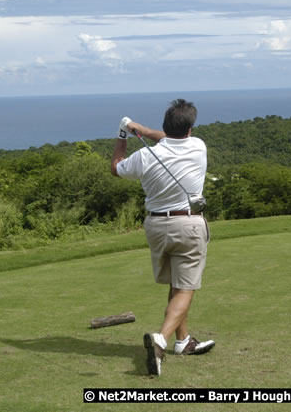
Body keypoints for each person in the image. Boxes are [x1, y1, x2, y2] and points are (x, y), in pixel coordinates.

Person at [111, 99, 215, 376]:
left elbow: (116, 167)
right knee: (185, 288)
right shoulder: (198, 146)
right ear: (190, 128)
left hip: (156, 226)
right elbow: (171, 139)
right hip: (188, 224)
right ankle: (163, 339)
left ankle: (184, 341)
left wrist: (125, 134)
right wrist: (141, 130)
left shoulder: (146, 156)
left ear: (166, 125)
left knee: (177, 283)